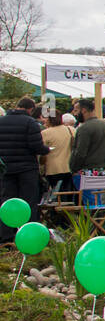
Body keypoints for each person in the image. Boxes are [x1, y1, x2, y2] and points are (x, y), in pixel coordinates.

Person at [0, 97, 51, 243]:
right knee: (29, 202)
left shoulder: (1, 121)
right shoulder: (30, 123)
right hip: (26, 169)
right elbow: (36, 146)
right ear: (31, 109)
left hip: (6, 168)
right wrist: (46, 150)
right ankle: (29, 236)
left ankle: (6, 237)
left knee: (7, 202)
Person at [69, 98, 105, 173]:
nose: (74, 114)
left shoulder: (84, 128)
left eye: (76, 110)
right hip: (104, 170)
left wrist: (73, 168)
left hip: (87, 171)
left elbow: (80, 153)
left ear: (83, 110)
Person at [41, 112, 76, 197]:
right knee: (67, 192)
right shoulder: (71, 130)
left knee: (55, 194)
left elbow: (42, 150)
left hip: (52, 168)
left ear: (50, 119)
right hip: (68, 167)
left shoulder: (45, 133)